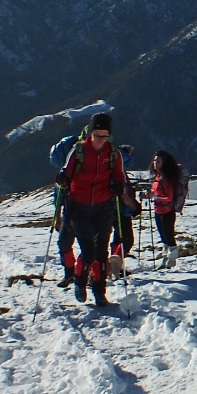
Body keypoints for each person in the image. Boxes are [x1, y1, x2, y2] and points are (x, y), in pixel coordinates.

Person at [56, 112, 125, 307]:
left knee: (101, 252)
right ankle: (79, 281)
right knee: (88, 251)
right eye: (97, 135)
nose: (101, 140)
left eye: (105, 136)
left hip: (103, 206)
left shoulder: (112, 154)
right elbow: (66, 174)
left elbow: (119, 178)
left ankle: (99, 291)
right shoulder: (78, 151)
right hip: (78, 206)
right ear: (90, 133)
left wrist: (117, 187)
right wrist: (63, 179)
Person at [151, 150, 186, 268]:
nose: (155, 163)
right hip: (158, 210)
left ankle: (171, 259)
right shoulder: (158, 176)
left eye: (158, 161)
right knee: (163, 236)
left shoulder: (166, 178)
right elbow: (156, 191)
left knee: (168, 235)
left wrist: (153, 196)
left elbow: (168, 196)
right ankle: (167, 258)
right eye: (155, 161)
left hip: (166, 211)